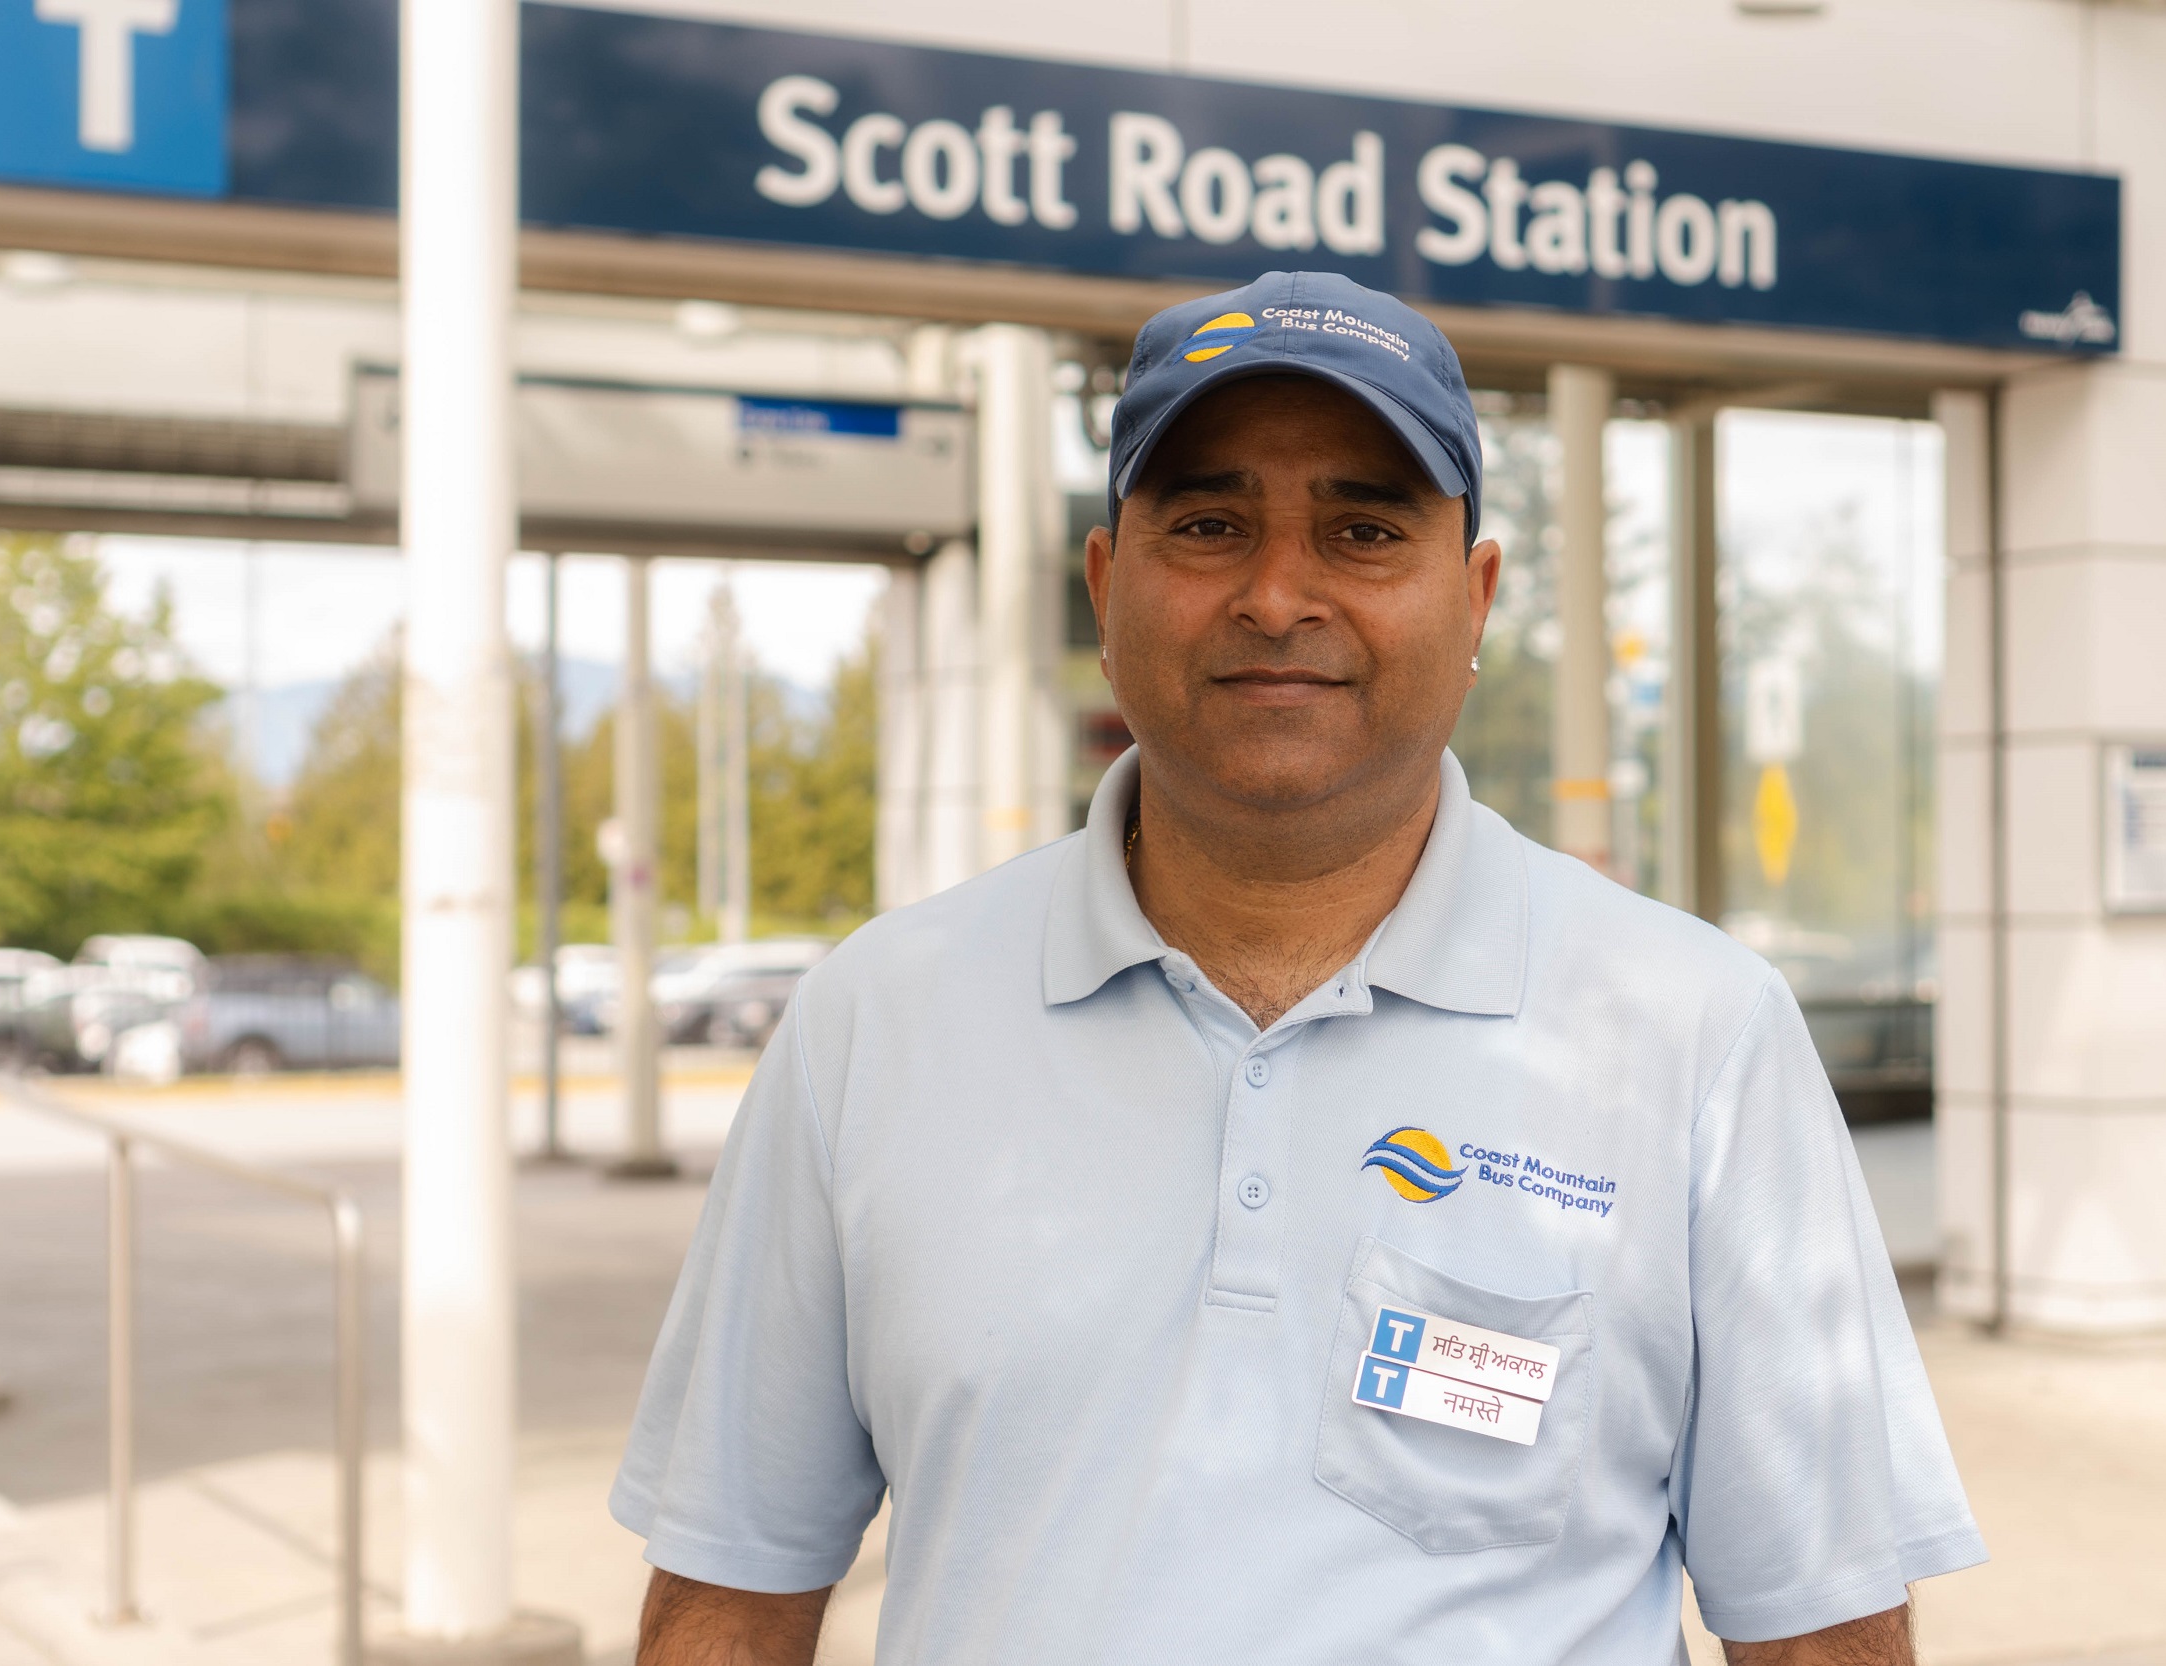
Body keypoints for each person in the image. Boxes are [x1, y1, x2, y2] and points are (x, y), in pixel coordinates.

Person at [611, 271, 1985, 1665]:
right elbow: (727, 1595)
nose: (1277, 593)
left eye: (1363, 528)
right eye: (1208, 523)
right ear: (1105, 583)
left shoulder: (1696, 1033)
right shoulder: (876, 1021)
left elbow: (1821, 1629)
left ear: (1476, 597)